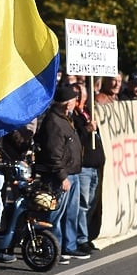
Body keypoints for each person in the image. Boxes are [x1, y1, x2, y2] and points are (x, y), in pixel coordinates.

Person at [34, 83, 86, 264]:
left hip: (72, 173)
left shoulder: (65, 119)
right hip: (61, 177)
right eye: (73, 100)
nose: (75, 103)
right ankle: (53, 248)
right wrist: (62, 176)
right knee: (56, 214)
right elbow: (53, 154)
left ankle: (68, 247)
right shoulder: (54, 122)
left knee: (71, 213)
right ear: (66, 103)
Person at [72, 82, 104, 253]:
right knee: (82, 205)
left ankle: (86, 235)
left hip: (94, 167)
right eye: (75, 95)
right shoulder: (74, 117)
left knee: (90, 204)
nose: (78, 98)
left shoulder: (88, 112)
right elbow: (75, 139)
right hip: (84, 167)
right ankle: (81, 238)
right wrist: (87, 129)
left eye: (81, 94)